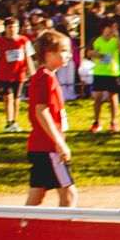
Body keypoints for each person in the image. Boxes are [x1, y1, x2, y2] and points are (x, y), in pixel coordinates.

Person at [22, 30, 74, 208]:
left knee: (37, 193)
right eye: (63, 50)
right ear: (48, 53)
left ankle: (22, 228)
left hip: (40, 145)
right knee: (69, 194)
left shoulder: (46, 76)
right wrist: (59, 143)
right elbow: (41, 111)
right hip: (48, 147)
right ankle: (63, 233)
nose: (68, 55)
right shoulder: (45, 78)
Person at [87, 15, 120, 133]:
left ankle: (114, 122)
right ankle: (96, 122)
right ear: (105, 28)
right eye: (112, 27)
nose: (114, 30)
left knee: (112, 98)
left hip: (112, 73)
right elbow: (88, 52)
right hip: (99, 72)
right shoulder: (96, 39)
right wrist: (95, 54)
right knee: (97, 98)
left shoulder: (115, 40)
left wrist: (117, 37)